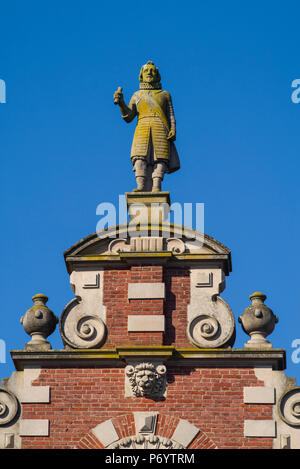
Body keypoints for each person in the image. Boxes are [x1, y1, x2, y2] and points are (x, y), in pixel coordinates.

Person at [114, 61, 180, 192]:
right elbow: (128, 116)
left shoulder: (165, 95)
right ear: (141, 76)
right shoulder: (137, 95)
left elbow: (171, 115)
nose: (149, 73)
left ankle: (156, 186)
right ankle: (141, 185)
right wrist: (121, 103)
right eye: (146, 71)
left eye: (152, 71)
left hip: (160, 127)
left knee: (160, 158)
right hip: (142, 127)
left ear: (157, 75)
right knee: (139, 157)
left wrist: (173, 129)